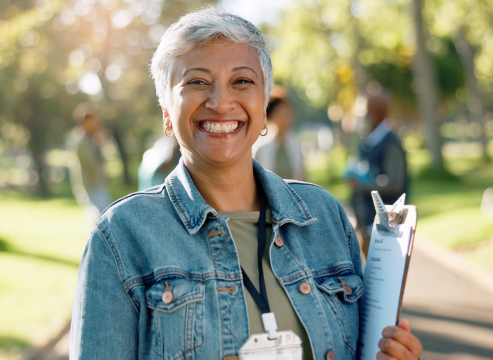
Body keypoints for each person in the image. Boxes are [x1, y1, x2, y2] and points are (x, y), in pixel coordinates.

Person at [70, 9, 421, 360]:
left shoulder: (324, 217)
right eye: (196, 82)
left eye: (241, 82)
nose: (221, 103)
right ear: (166, 111)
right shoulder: (120, 237)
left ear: (264, 105)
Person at [346, 94, 408, 257]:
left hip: (385, 227)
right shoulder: (369, 140)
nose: (364, 117)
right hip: (367, 222)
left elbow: (394, 182)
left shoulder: (390, 142)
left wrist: (363, 185)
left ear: (377, 113)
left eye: (366, 112)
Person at [67, 103, 111, 226]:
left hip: (97, 184)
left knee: (100, 220)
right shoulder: (81, 141)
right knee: (97, 222)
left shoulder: (89, 139)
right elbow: (94, 165)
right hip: (89, 187)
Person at [254, 86, 306, 181]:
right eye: (281, 112)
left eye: (288, 111)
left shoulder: (295, 144)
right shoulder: (260, 145)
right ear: (271, 114)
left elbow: (303, 177)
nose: (286, 116)